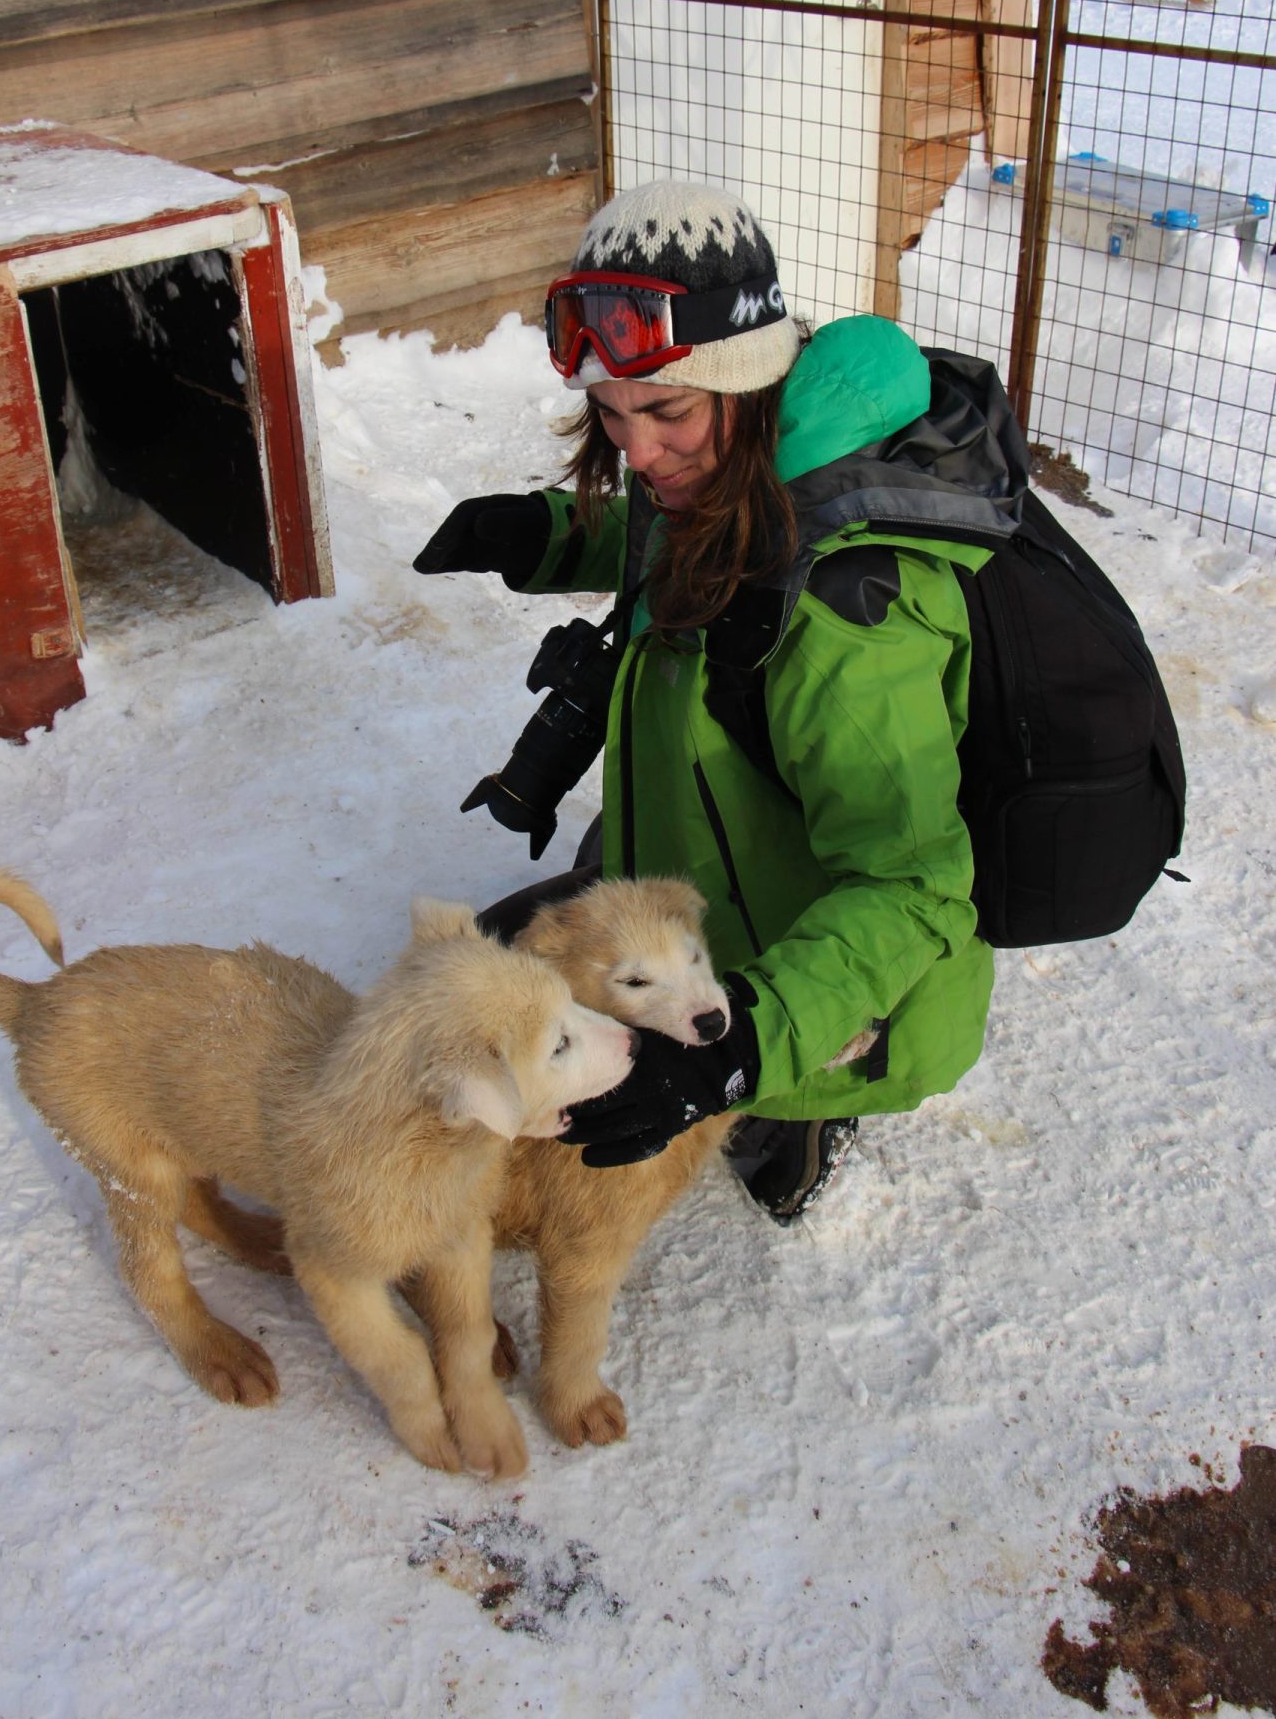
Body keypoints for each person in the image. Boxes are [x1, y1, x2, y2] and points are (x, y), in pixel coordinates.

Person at [414, 180, 1009, 1221]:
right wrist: (545, 533)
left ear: (744, 385)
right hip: (700, 885)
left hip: (830, 974)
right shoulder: (725, 475)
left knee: (680, 1067)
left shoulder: (842, 615)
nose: (635, 454)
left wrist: (729, 1059)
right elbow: (661, 541)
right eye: (608, 416)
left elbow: (913, 889)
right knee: (494, 974)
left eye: (665, 412)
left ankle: (795, 1106)